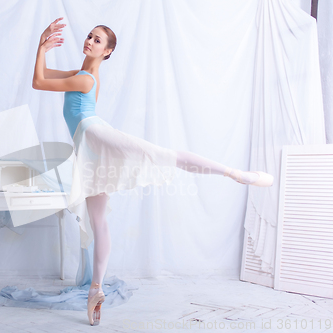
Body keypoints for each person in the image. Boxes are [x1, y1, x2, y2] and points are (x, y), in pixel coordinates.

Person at [32, 17, 273, 326]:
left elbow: (38, 82)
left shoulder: (85, 80)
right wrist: (42, 45)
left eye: (98, 40)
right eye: (90, 36)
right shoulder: (81, 75)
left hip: (95, 135)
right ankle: (96, 289)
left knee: (161, 155)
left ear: (106, 52)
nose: (90, 41)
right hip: (88, 151)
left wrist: (42, 44)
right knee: (99, 221)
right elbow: (42, 76)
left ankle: (234, 173)